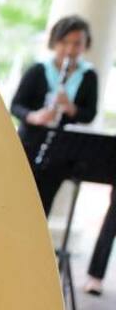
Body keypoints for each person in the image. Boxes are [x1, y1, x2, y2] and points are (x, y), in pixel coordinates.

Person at [10, 15, 98, 213]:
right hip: (29, 143)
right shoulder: (38, 70)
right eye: (64, 42)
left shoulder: (88, 76)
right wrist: (34, 116)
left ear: (85, 45)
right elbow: (16, 105)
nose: (70, 50)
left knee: (43, 205)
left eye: (77, 44)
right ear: (55, 42)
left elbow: (89, 113)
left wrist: (71, 108)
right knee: (16, 200)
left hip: (62, 148)